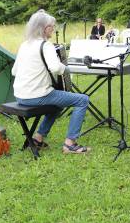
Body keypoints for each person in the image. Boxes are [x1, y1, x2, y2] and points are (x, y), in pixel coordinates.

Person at [12, 10, 90, 154]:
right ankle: (70, 144)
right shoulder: (45, 45)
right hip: (37, 96)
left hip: (20, 96)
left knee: (57, 104)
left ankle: (38, 138)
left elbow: (14, 72)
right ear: (44, 28)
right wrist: (66, 68)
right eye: (52, 26)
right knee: (82, 100)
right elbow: (55, 68)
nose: (53, 29)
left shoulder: (25, 45)